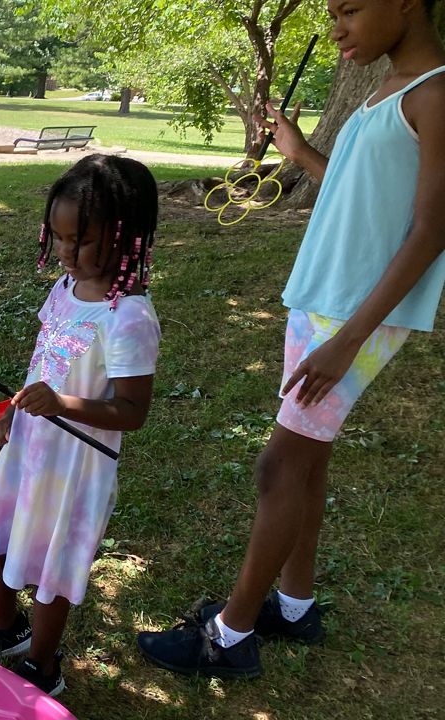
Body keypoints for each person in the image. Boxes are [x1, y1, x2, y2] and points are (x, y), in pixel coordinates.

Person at [138, 0, 445, 679]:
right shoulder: (386, 89)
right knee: (306, 461)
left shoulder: (437, 94)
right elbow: (361, 191)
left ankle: (231, 635)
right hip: (322, 301)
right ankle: (295, 606)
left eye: (349, 9)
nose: (336, 26)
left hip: (354, 318)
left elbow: (431, 229)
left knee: (277, 465)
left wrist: (347, 341)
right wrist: (300, 151)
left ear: (407, 4)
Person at [0, 155, 161, 697]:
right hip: (29, 447)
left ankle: (42, 666)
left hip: (75, 468)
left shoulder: (129, 316)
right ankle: (6, 629)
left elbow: (132, 411)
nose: (67, 253)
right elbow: (42, 363)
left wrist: (64, 404)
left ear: (126, 237)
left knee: (51, 568)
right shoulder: (64, 292)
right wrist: (10, 410)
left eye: (82, 241)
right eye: (60, 238)